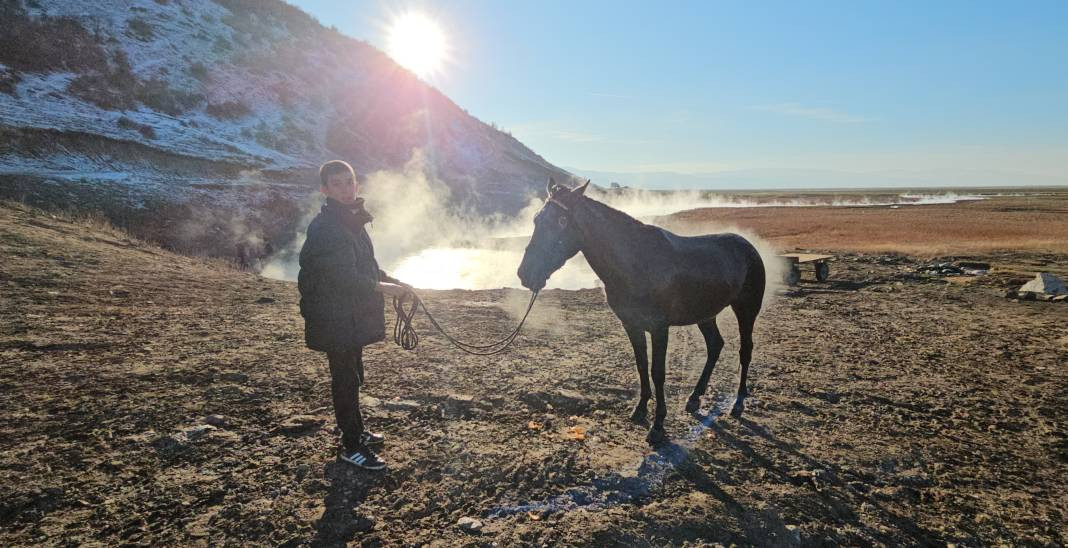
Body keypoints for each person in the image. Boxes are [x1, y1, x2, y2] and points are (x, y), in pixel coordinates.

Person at [298, 160, 411, 470]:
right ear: (325, 189)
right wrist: (385, 288)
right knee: (345, 379)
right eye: (337, 184)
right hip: (333, 315)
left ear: (357, 184)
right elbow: (342, 277)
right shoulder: (328, 228)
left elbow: (365, 266)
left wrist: (395, 281)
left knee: (353, 374)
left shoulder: (350, 222)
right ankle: (351, 445)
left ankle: (356, 431)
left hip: (348, 315)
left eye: (349, 182)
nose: (346, 189)